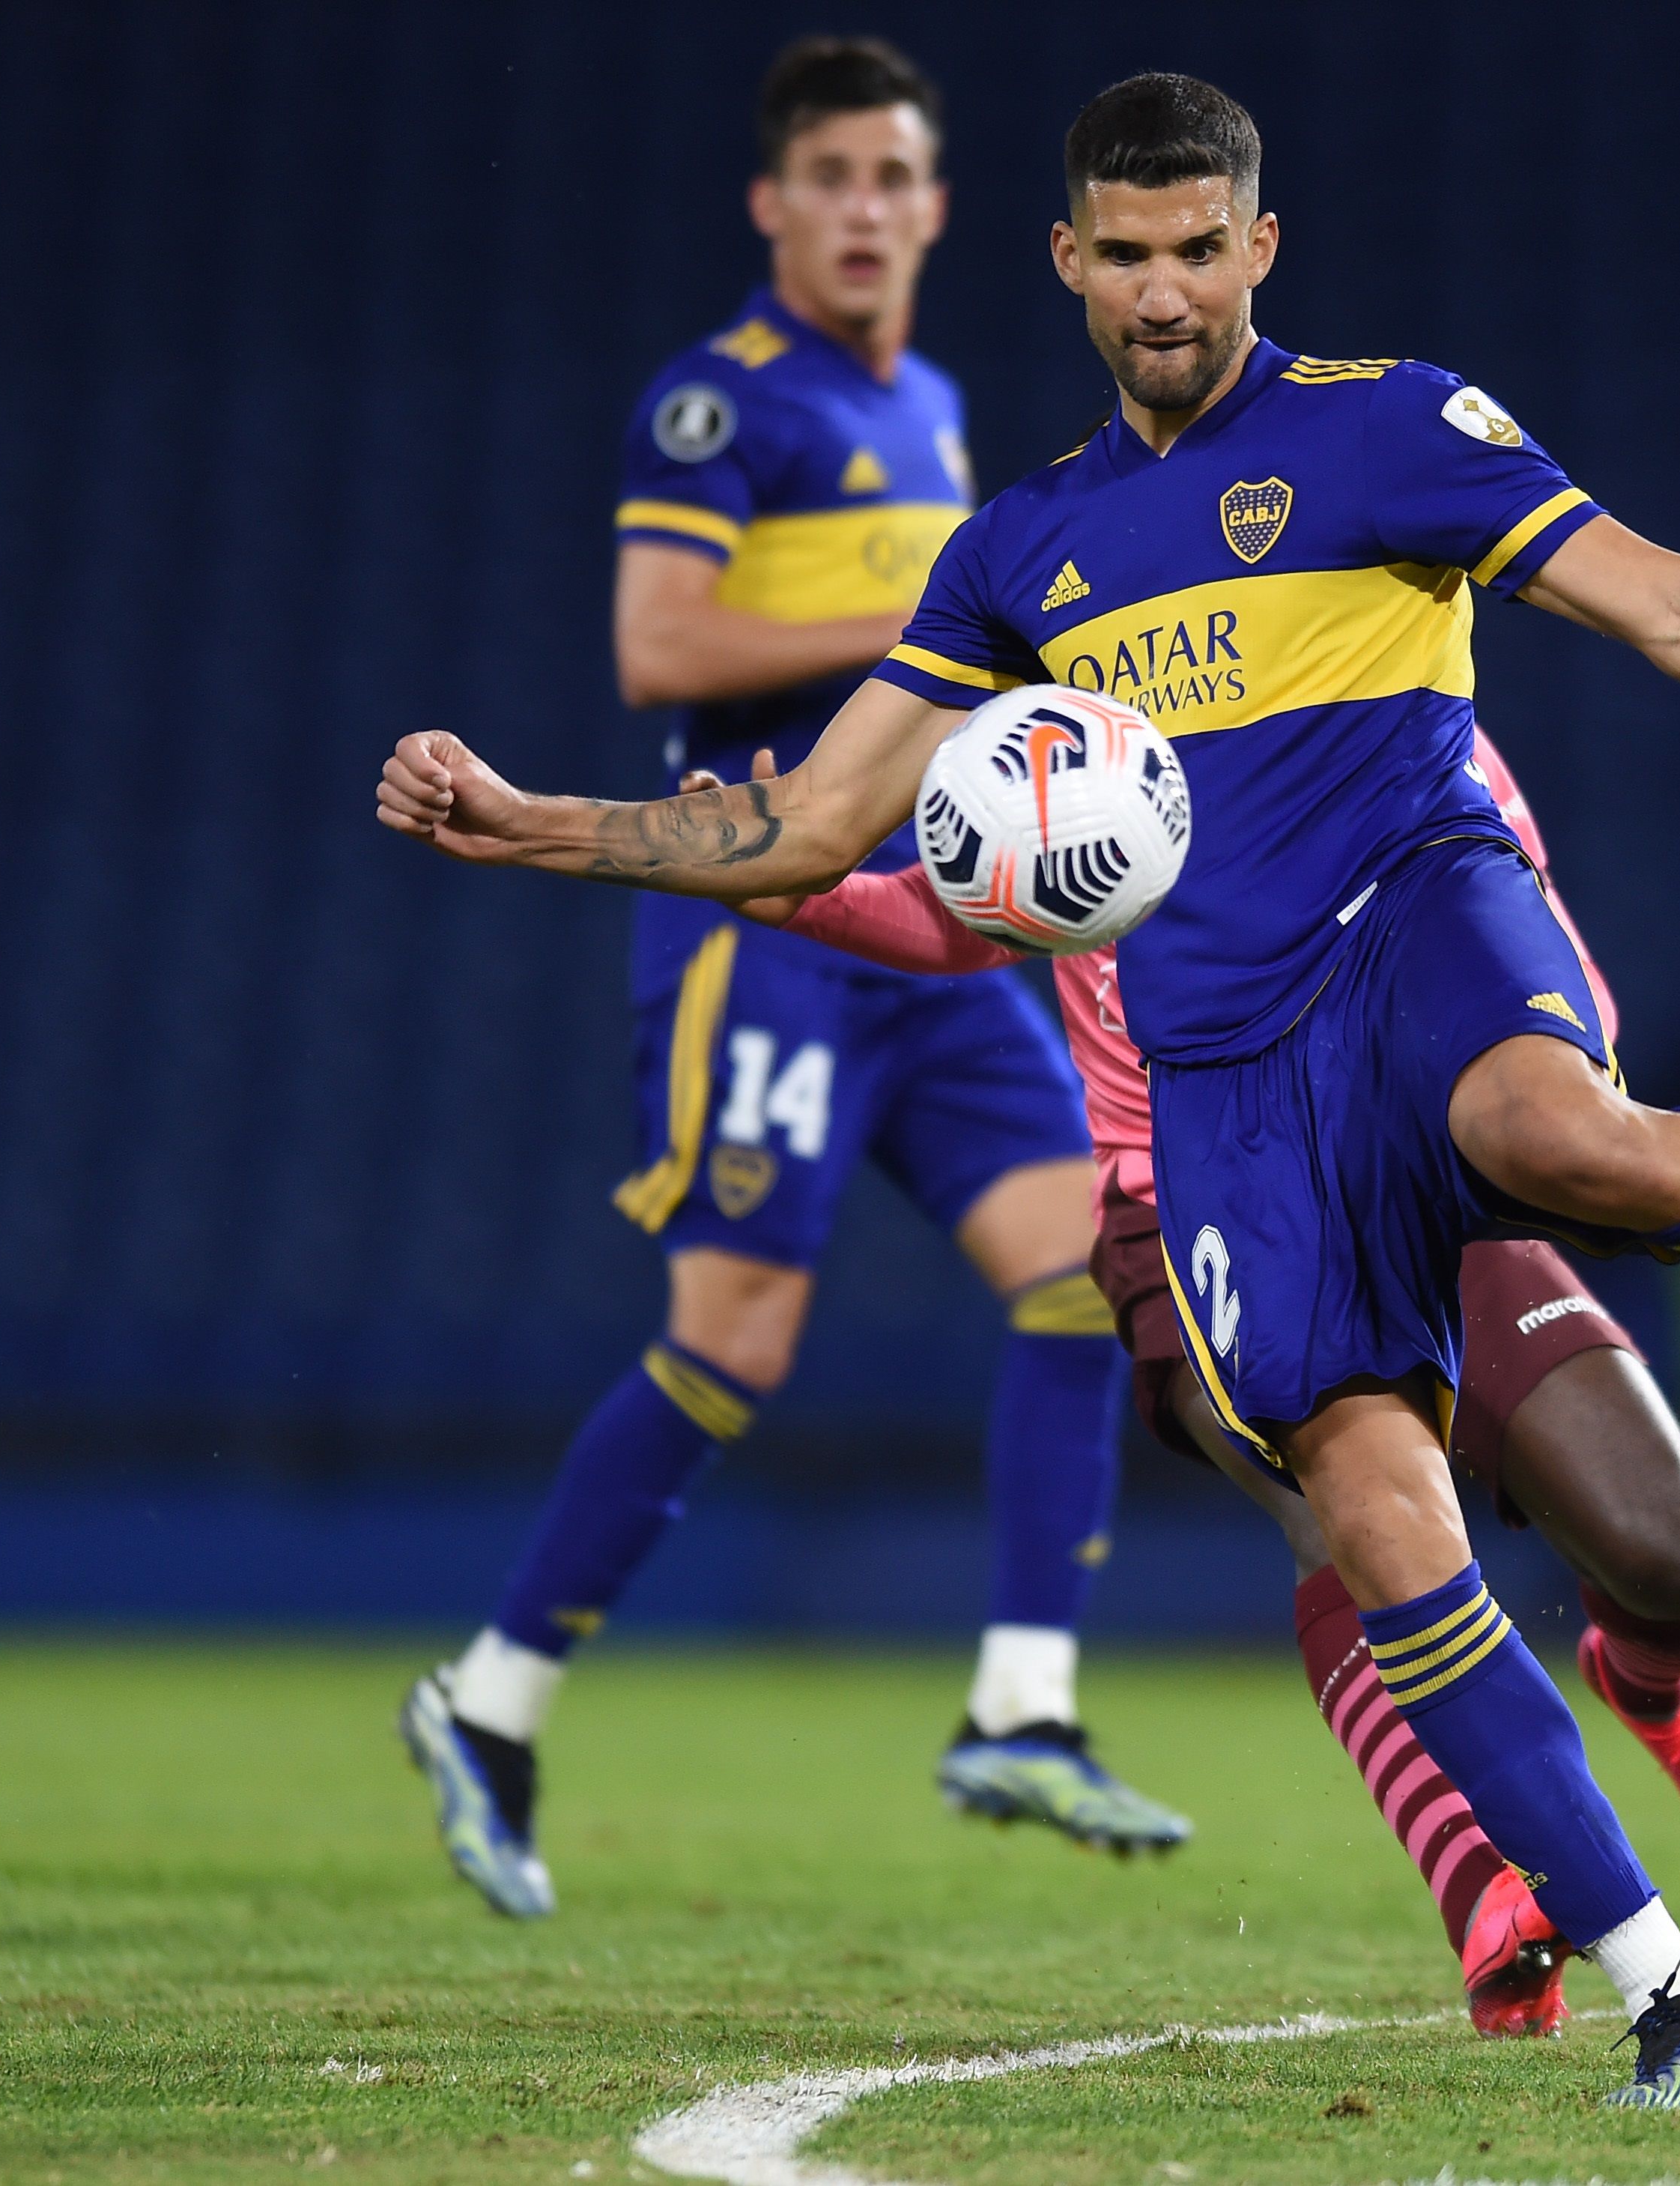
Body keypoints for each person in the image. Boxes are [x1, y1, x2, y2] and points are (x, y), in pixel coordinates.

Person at [374, 72, 1680, 2105]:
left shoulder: (1391, 425)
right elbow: (812, 821)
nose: (1162, 291)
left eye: (1196, 249)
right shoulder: (1014, 553)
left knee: (1554, 1138)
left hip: (1417, 926)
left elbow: (1666, 599)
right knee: (1384, 1517)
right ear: (1066, 261)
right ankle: (1675, 1993)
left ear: (1259, 246)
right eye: (1124, 254)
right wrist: (536, 823)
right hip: (1223, 1084)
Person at [395, 38, 1191, 1928]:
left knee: (1084, 1268)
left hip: (937, 922)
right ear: (773, 204)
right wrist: (948, 609)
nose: (861, 208)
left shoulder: (932, 403)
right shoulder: (720, 403)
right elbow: (658, 643)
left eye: (892, 176)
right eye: (828, 176)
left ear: (938, 208)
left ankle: (1023, 1706)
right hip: (762, 927)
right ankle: (488, 1701)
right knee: (736, 1337)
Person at [728, 723, 1680, 2042]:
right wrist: (809, 893)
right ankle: (1478, 1876)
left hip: (1403, 1164)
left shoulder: (1403, 716)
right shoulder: (1086, 718)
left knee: (1665, 1552)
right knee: (1340, 1509)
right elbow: (977, 906)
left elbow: (1551, 975)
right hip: (1178, 1199)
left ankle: (1651, 1685)